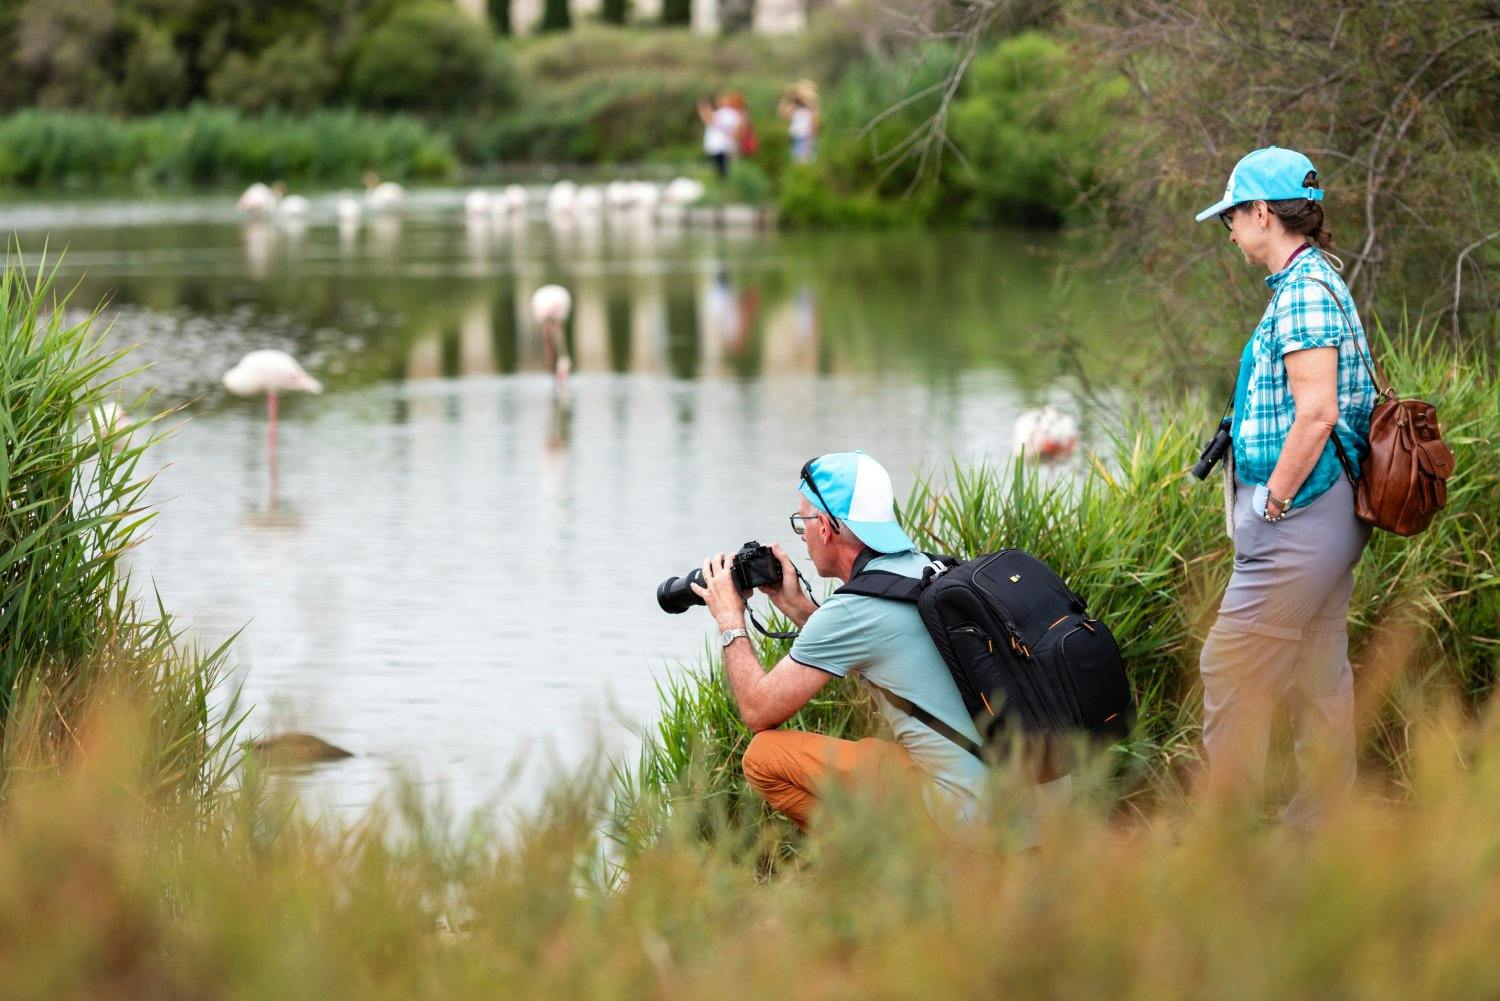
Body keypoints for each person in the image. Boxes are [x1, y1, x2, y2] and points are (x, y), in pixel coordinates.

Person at [691, 451, 1065, 836]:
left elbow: (757, 709)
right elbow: (874, 646)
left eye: (802, 523)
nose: (801, 537)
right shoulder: (931, 571)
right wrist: (798, 608)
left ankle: (878, 867)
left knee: (764, 757)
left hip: (974, 821)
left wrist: (729, 619)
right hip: (1042, 807)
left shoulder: (855, 609)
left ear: (824, 526)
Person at [1193, 146, 1378, 828]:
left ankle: (1226, 836)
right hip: (1328, 512)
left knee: (1228, 664)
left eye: (1231, 218)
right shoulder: (1317, 280)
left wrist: (1270, 504)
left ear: (1263, 213)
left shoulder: (1302, 292)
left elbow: (1318, 410)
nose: (1231, 232)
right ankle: (1319, 828)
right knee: (1318, 669)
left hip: (1302, 514)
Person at [697, 92, 744, 180]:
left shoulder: (728, 113)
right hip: (718, 147)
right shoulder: (726, 113)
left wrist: (704, 108)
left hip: (721, 147)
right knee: (722, 171)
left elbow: (710, 120)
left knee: (723, 172)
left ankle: (726, 189)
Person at [778, 80, 819, 164]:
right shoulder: (795, 107)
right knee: (796, 160)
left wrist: (811, 138)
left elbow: (815, 123)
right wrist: (789, 98)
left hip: (805, 137)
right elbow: (783, 114)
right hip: (795, 136)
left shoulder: (811, 108)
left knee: (804, 161)